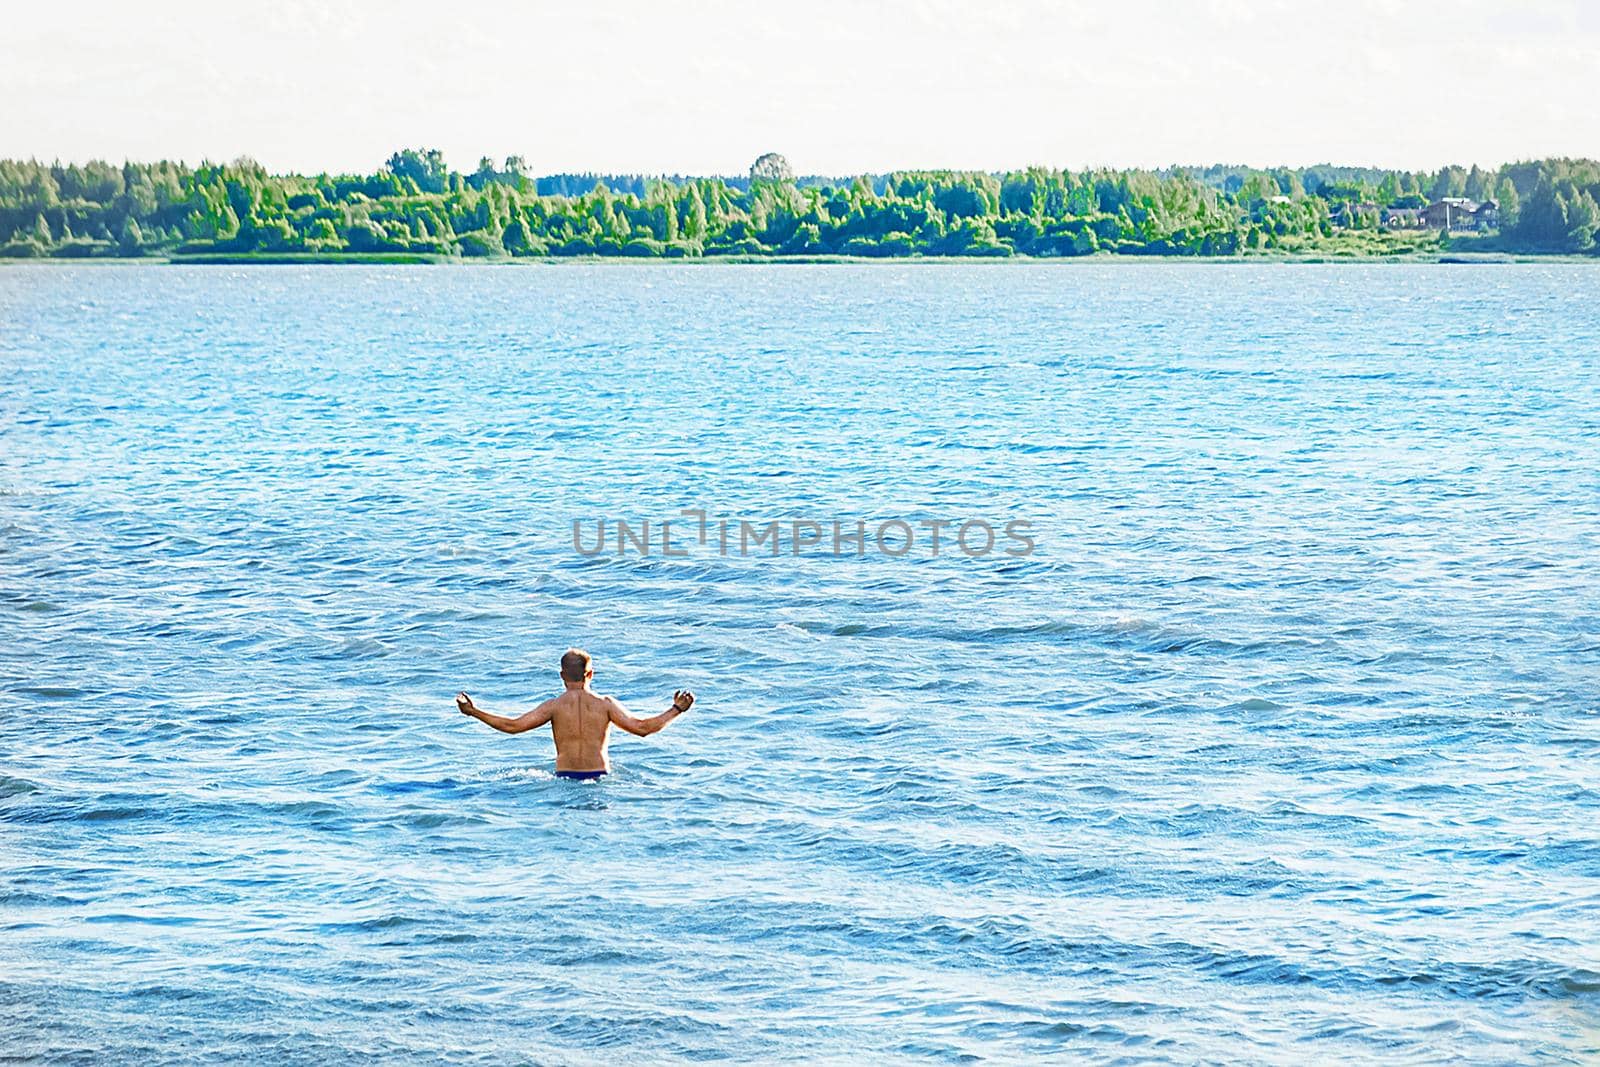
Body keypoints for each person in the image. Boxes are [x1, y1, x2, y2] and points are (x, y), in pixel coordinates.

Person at [455, 648, 693, 780]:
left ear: (561, 675)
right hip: (600, 778)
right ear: (591, 674)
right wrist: (676, 710)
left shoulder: (553, 706)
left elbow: (512, 726)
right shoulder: (605, 705)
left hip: (564, 777)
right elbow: (642, 728)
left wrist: (473, 712)